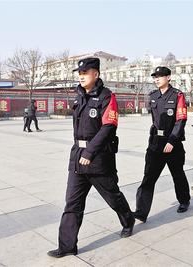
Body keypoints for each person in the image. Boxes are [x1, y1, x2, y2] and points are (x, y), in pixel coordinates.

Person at [48, 58, 135, 258]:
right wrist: (81, 153)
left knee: (112, 196)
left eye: (85, 72)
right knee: (72, 203)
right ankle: (67, 246)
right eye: (79, 72)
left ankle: (128, 219)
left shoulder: (107, 97)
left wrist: (90, 152)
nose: (81, 75)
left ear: (96, 74)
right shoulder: (78, 96)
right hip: (77, 157)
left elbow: (108, 127)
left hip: (98, 159)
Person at [134, 66, 190, 223]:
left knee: (177, 175)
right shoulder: (153, 96)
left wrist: (172, 140)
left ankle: (184, 200)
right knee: (148, 177)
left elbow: (181, 119)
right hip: (156, 143)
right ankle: (141, 212)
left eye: (160, 76)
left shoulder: (177, 95)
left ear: (169, 77)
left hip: (173, 143)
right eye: (155, 77)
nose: (156, 79)